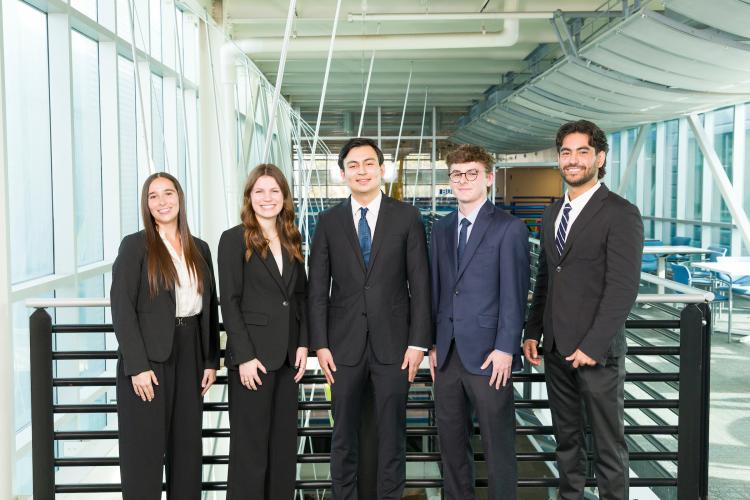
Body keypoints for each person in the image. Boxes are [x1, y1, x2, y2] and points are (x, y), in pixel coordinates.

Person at [524, 120, 643, 500]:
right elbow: (546, 278)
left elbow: (622, 289)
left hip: (597, 354)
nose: (573, 160)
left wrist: (593, 345)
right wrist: (532, 331)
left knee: (609, 447)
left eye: (582, 152)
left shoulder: (620, 213)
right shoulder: (553, 211)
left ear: (600, 157)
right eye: (566, 152)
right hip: (556, 349)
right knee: (567, 443)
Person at [308, 137, 432, 499]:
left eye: (368, 164)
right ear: (343, 174)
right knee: (343, 435)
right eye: (353, 166)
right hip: (342, 348)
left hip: (395, 346)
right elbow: (318, 288)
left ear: (382, 169)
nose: (361, 171)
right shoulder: (328, 221)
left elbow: (420, 285)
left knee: (392, 435)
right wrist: (320, 345)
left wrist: (418, 342)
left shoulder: (406, 216)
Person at [429, 144, 530, 499]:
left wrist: (506, 348)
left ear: (489, 178)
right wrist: (432, 344)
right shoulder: (440, 229)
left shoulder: (510, 228)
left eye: (472, 173)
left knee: (498, 446)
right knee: (452, 447)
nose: (463, 180)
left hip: (490, 356)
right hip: (447, 355)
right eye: (457, 174)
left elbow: (515, 296)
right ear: (449, 181)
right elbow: (438, 290)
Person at [111, 172, 219, 500]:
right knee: (144, 452)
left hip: (190, 356)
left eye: (168, 194)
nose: (162, 202)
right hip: (149, 359)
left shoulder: (198, 248)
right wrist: (137, 366)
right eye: (153, 196)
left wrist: (211, 360)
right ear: (146, 204)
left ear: (180, 198)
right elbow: (122, 307)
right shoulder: (135, 246)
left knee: (186, 450)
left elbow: (209, 308)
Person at [219, 164, 309, 500]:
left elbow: (300, 295)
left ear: (284, 196)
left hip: (287, 360)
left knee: (283, 451)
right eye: (260, 191)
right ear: (249, 197)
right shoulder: (233, 239)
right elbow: (229, 301)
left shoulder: (292, 237)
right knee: (250, 453)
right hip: (252, 362)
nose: (267, 198)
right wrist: (244, 356)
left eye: (274, 191)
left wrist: (303, 343)